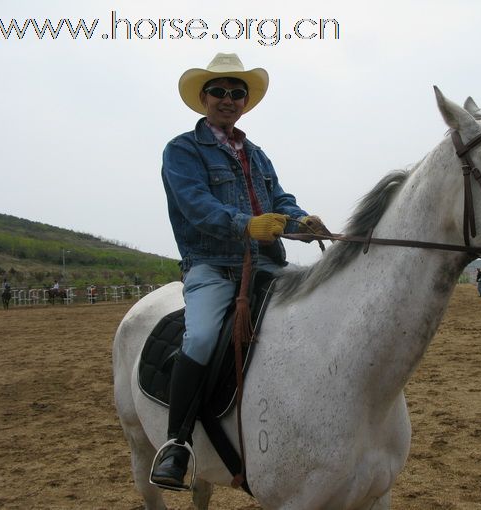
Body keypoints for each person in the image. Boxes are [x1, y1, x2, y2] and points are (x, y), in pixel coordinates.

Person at [151, 52, 329, 489]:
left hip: (266, 266)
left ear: (245, 102)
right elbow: (195, 206)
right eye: (219, 92)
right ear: (203, 98)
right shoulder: (182, 150)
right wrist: (245, 224)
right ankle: (176, 445)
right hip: (212, 266)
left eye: (237, 93)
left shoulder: (256, 155)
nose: (228, 99)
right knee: (202, 336)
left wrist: (301, 222)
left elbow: (280, 201)